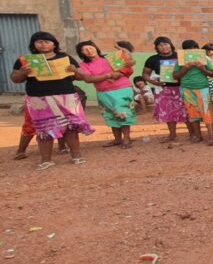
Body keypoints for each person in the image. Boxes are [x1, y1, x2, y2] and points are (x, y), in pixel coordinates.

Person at [9, 31, 94, 170]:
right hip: (39, 99)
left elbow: (81, 77)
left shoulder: (65, 58)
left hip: (66, 97)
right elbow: (15, 78)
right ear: (34, 45)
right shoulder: (25, 60)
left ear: (54, 44)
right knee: (44, 129)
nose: (43, 44)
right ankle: (46, 160)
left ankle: (76, 156)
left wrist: (75, 71)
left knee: (71, 127)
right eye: (39, 42)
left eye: (47, 41)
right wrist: (23, 72)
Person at [75, 40, 136, 149]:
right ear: (81, 53)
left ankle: (126, 139)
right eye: (85, 50)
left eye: (91, 47)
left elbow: (129, 70)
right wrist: (109, 75)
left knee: (123, 112)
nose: (89, 50)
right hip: (103, 92)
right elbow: (88, 79)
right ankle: (117, 139)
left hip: (122, 89)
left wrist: (121, 70)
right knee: (110, 115)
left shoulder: (110, 58)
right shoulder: (83, 65)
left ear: (95, 47)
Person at [142, 36, 187, 142]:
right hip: (164, 90)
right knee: (168, 112)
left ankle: (193, 133)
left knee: (186, 110)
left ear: (170, 45)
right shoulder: (152, 59)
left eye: (166, 44)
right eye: (160, 45)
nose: (164, 47)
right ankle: (172, 135)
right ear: (156, 47)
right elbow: (145, 74)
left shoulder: (180, 56)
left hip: (182, 87)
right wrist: (153, 82)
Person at [172, 39, 213, 144]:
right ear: (184, 51)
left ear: (197, 49)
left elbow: (212, 74)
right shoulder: (181, 60)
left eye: (194, 48)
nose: (191, 51)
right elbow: (175, 76)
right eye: (188, 49)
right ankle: (198, 136)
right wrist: (186, 68)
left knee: (207, 113)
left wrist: (202, 68)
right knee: (193, 114)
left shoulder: (205, 59)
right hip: (187, 89)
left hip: (203, 89)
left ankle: (212, 137)